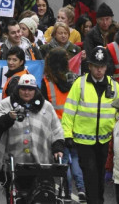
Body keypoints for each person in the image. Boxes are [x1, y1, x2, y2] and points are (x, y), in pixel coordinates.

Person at [0, 74, 65, 203]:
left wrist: (58, 148)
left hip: (41, 163)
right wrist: (8, 118)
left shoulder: (46, 107)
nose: (26, 92)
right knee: (17, 198)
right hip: (13, 163)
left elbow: (56, 129)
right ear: (18, 89)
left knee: (42, 198)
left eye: (30, 89)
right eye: (23, 89)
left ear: (36, 90)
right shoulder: (7, 104)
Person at [63, 46, 119, 204]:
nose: (99, 70)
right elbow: (69, 110)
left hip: (105, 140)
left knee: (100, 175)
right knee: (90, 175)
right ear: (89, 66)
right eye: (96, 66)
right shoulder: (80, 84)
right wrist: (67, 134)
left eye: (102, 66)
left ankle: (98, 200)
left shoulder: (114, 86)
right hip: (83, 140)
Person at [42, 47, 86, 200]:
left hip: (56, 127)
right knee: (76, 159)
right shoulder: (74, 78)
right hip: (74, 124)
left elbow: (44, 106)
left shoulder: (46, 81)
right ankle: (81, 189)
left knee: (63, 161)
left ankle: (66, 192)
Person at [83, 3, 119, 73]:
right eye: (102, 19)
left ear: (111, 19)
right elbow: (88, 56)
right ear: (97, 20)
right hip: (98, 69)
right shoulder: (91, 35)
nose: (105, 22)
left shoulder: (118, 32)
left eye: (107, 19)